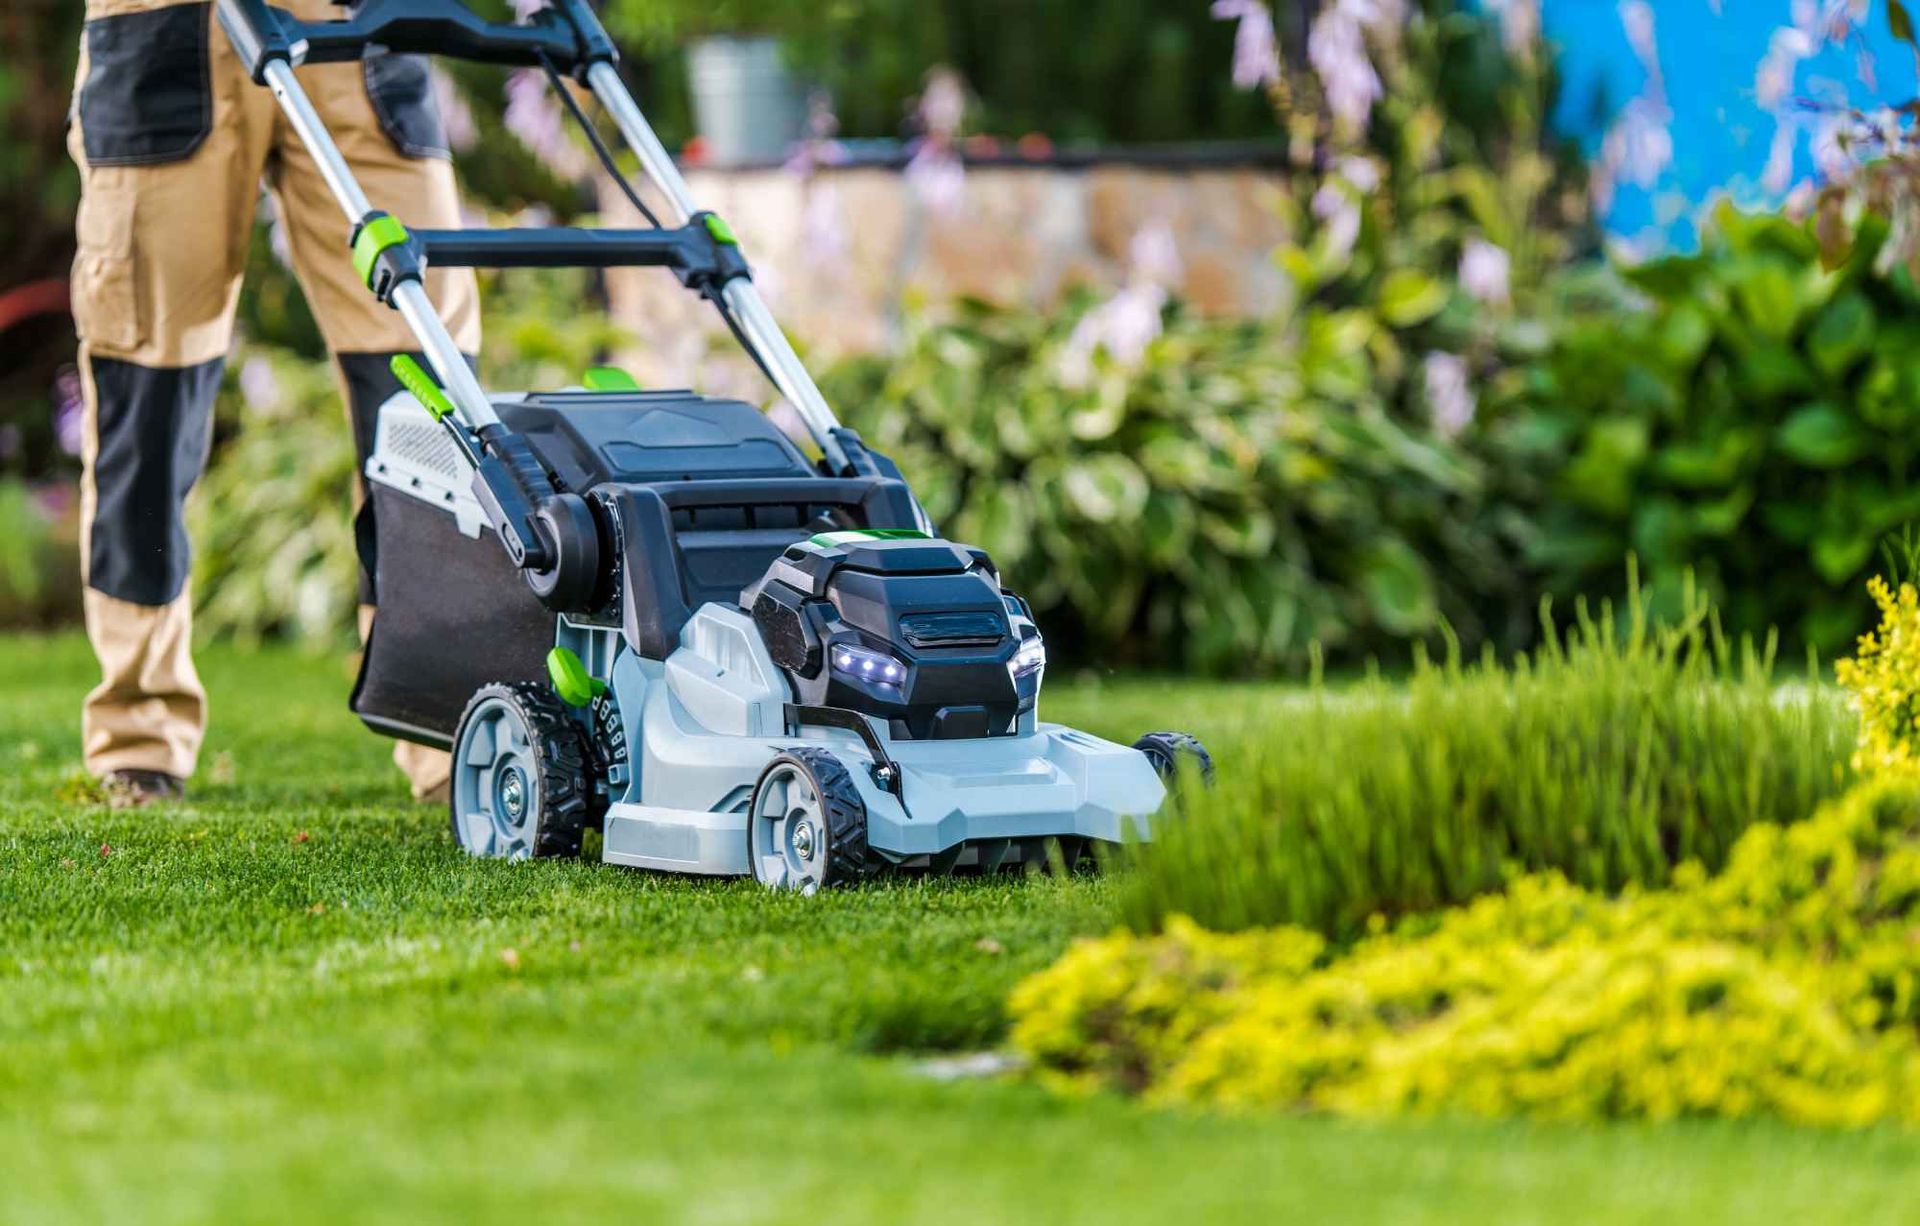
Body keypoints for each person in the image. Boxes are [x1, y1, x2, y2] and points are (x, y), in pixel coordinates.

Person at [68, 0, 480, 806]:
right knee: (149, 387)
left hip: (354, 20)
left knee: (427, 380)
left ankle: (448, 723)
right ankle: (137, 735)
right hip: (168, 21)